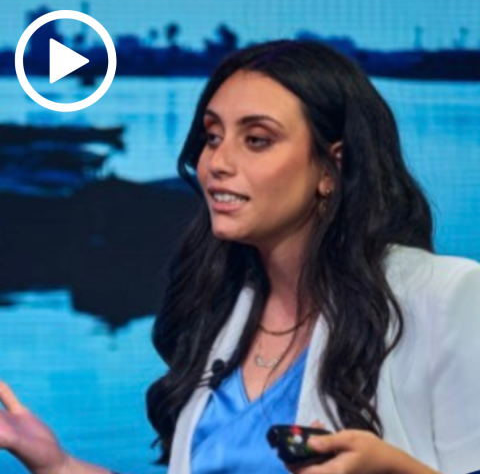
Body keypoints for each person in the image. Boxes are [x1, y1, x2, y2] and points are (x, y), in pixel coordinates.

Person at [1, 39, 480, 474]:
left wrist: (397, 472)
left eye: (256, 140)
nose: (217, 163)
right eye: (212, 136)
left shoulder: (444, 296)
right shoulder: (218, 308)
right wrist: (58, 465)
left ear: (332, 167)